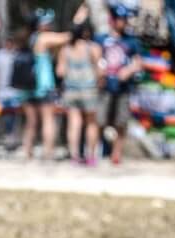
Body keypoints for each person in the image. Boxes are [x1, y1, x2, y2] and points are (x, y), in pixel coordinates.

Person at [21, 9, 77, 159]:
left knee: (31, 122)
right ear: (39, 25)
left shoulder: (29, 38)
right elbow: (69, 36)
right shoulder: (44, 38)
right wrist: (79, 20)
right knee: (48, 119)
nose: (50, 24)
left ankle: (28, 153)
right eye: (47, 22)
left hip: (28, 87)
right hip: (44, 86)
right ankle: (48, 152)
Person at [96, 5, 142, 165]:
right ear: (113, 20)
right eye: (121, 19)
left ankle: (117, 154)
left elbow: (138, 62)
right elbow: (94, 57)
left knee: (121, 122)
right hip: (104, 88)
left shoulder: (132, 41)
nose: (124, 23)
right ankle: (96, 151)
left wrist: (128, 70)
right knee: (99, 120)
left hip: (123, 88)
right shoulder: (100, 39)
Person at [58, 20, 102, 164]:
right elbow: (100, 70)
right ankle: (91, 156)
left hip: (71, 90)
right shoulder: (93, 48)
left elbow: (60, 71)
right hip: (89, 90)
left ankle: (74, 156)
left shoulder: (65, 50)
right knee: (91, 123)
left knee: (74, 123)